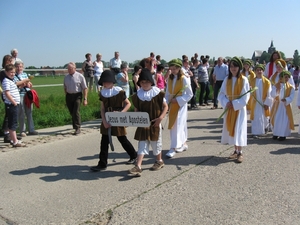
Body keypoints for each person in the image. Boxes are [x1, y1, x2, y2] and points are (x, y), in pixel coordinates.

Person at [90, 70, 137, 171]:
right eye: (104, 82)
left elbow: (128, 104)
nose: (105, 84)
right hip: (107, 117)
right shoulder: (102, 93)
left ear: (112, 82)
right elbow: (102, 109)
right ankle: (102, 163)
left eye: (107, 82)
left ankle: (134, 155)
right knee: (104, 141)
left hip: (118, 118)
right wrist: (104, 121)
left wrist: (121, 114)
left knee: (122, 138)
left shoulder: (119, 92)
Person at [128, 68, 168, 177]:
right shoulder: (138, 95)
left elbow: (165, 107)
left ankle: (159, 161)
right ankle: (138, 166)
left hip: (155, 122)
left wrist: (160, 118)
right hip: (143, 123)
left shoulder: (157, 93)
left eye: (147, 82)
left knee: (156, 143)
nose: (145, 84)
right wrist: (137, 116)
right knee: (142, 143)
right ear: (139, 83)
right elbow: (136, 108)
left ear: (151, 82)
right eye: (142, 82)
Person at [218, 57, 250, 163]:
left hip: (239, 110)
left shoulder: (244, 80)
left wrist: (235, 104)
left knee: (239, 130)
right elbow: (221, 94)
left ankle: (240, 152)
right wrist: (226, 102)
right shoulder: (227, 80)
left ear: (239, 67)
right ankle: (235, 151)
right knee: (232, 130)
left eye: (235, 66)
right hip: (230, 108)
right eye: (231, 66)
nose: (233, 68)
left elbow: (246, 97)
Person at [165, 59, 193, 158]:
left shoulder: (184, 78)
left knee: (177, 125)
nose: (172, 71)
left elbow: (189, 94)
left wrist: (178, 100)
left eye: (174, 69)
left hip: (180, 105)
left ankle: (174, 148)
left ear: (178, 68)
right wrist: (166, 102)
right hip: (172, 105)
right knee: (178, 125)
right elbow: (167, 93)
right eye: (171, 69)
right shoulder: (170, 79)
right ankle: (183, 143)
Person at [2, 64, 27, 147]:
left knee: (13, 122)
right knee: (13, 123)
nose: (12, 74)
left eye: (13, 72)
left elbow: (13, 89)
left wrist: (21, 87)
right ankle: (15, 141)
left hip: (14, 104)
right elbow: (7, 93)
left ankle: (13, 139)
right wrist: (14, 102)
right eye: (10, 72)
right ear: (6, 72)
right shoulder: (6, 81)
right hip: (11, 105)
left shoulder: (11, 80)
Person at [14, 61, 38, 137]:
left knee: (29, 112)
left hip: (27, 94)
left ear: (23, 67)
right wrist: (24, 82)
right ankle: (22, 130)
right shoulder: (14, 75)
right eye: (17, 66)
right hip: (19, 95)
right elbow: (16, 84)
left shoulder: (25, 74)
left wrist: (27, 84)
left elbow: (29, 84)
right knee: (21, 113)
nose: (19, 68)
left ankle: (31, 129)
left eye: (20, 66)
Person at [64, 62, 88, 135]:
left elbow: (85, 88)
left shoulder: (80, 76)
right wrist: (67, 95)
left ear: (75, 68)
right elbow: (65, 87)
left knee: (76, 111)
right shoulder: (66, 77)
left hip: (77, 95)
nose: (69, 70)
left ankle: (77, 127)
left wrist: (85, 99)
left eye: (71, 68)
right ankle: (75, 125)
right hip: (69, 95)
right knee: (72, 112)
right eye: (68, 69)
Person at [249, 64, 272, 137]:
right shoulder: (252, 81)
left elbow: (269, 93)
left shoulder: (267, 82)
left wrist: (267, 103)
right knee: (255, 117)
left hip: (263, 102)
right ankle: (255, 132)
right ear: (255, 71)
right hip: (255, 102)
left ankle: (264, 128)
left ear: (263, 71)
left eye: (260, 70)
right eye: (257, 70)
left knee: (264, 117)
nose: (259, 71)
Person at [270, 70, 295, 141]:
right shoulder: (276, 85)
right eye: (285, 77)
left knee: (284, 120)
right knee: (276, 119)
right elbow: (272, 95)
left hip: (285, 106)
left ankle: (283, 135)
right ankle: (275, 133)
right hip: (277, 105)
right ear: (281, 77)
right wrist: (277, 91)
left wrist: (286, 99)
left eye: (287, 77)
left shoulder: (290, 87)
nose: (286, 79)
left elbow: (292, 96)